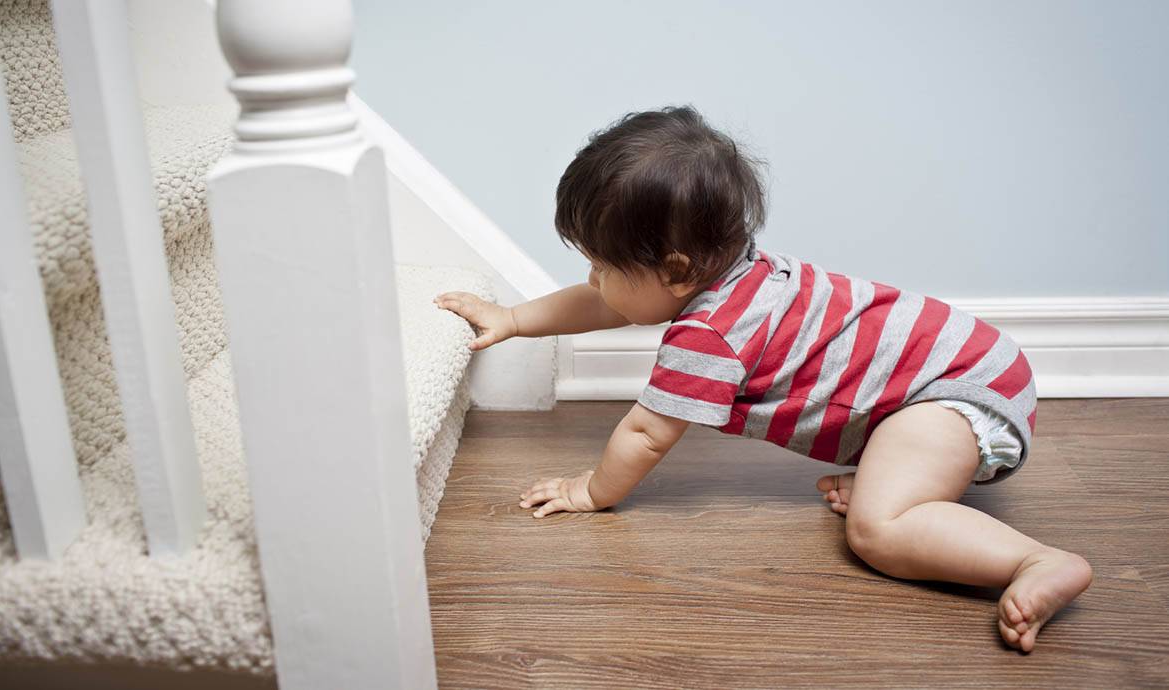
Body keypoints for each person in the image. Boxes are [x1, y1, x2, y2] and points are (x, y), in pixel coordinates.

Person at [436, 106, 1091, 653]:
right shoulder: (729, 272)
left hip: (955, 394)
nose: (592, 282)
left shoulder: (710, 336)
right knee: (879, 483)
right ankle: (899, 468)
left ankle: (1033, 561)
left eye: (601, 266)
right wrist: (512, 320)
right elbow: (605, 304)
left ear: (675, 269)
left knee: (877, 530)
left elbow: (645, 433)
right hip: (961, 366)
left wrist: (590, 491)